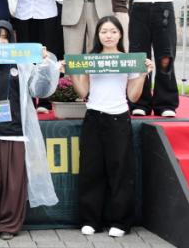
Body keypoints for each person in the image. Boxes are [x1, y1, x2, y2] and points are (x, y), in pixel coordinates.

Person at [0, 20, 59, 240]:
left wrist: (44, 63)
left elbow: (39, 90)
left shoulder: (23, 63)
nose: (1, 42)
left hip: (17, 131)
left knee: (14, 182)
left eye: (5, 38)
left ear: (12, 40)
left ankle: (9, 223)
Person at [66, 16, 153, 237]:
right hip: (94, 116)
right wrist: (73, 72)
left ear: (120, 34)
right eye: (104, 31)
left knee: (120, 171)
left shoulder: (129, 60)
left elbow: (133, 96)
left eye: (113, 31)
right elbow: (83, 92)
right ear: (98, 35)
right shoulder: (90, 59)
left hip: (119, 117)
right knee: (91, 170)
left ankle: (120, 222)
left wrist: (143, 74)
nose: (108, 35)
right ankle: (90, 220)